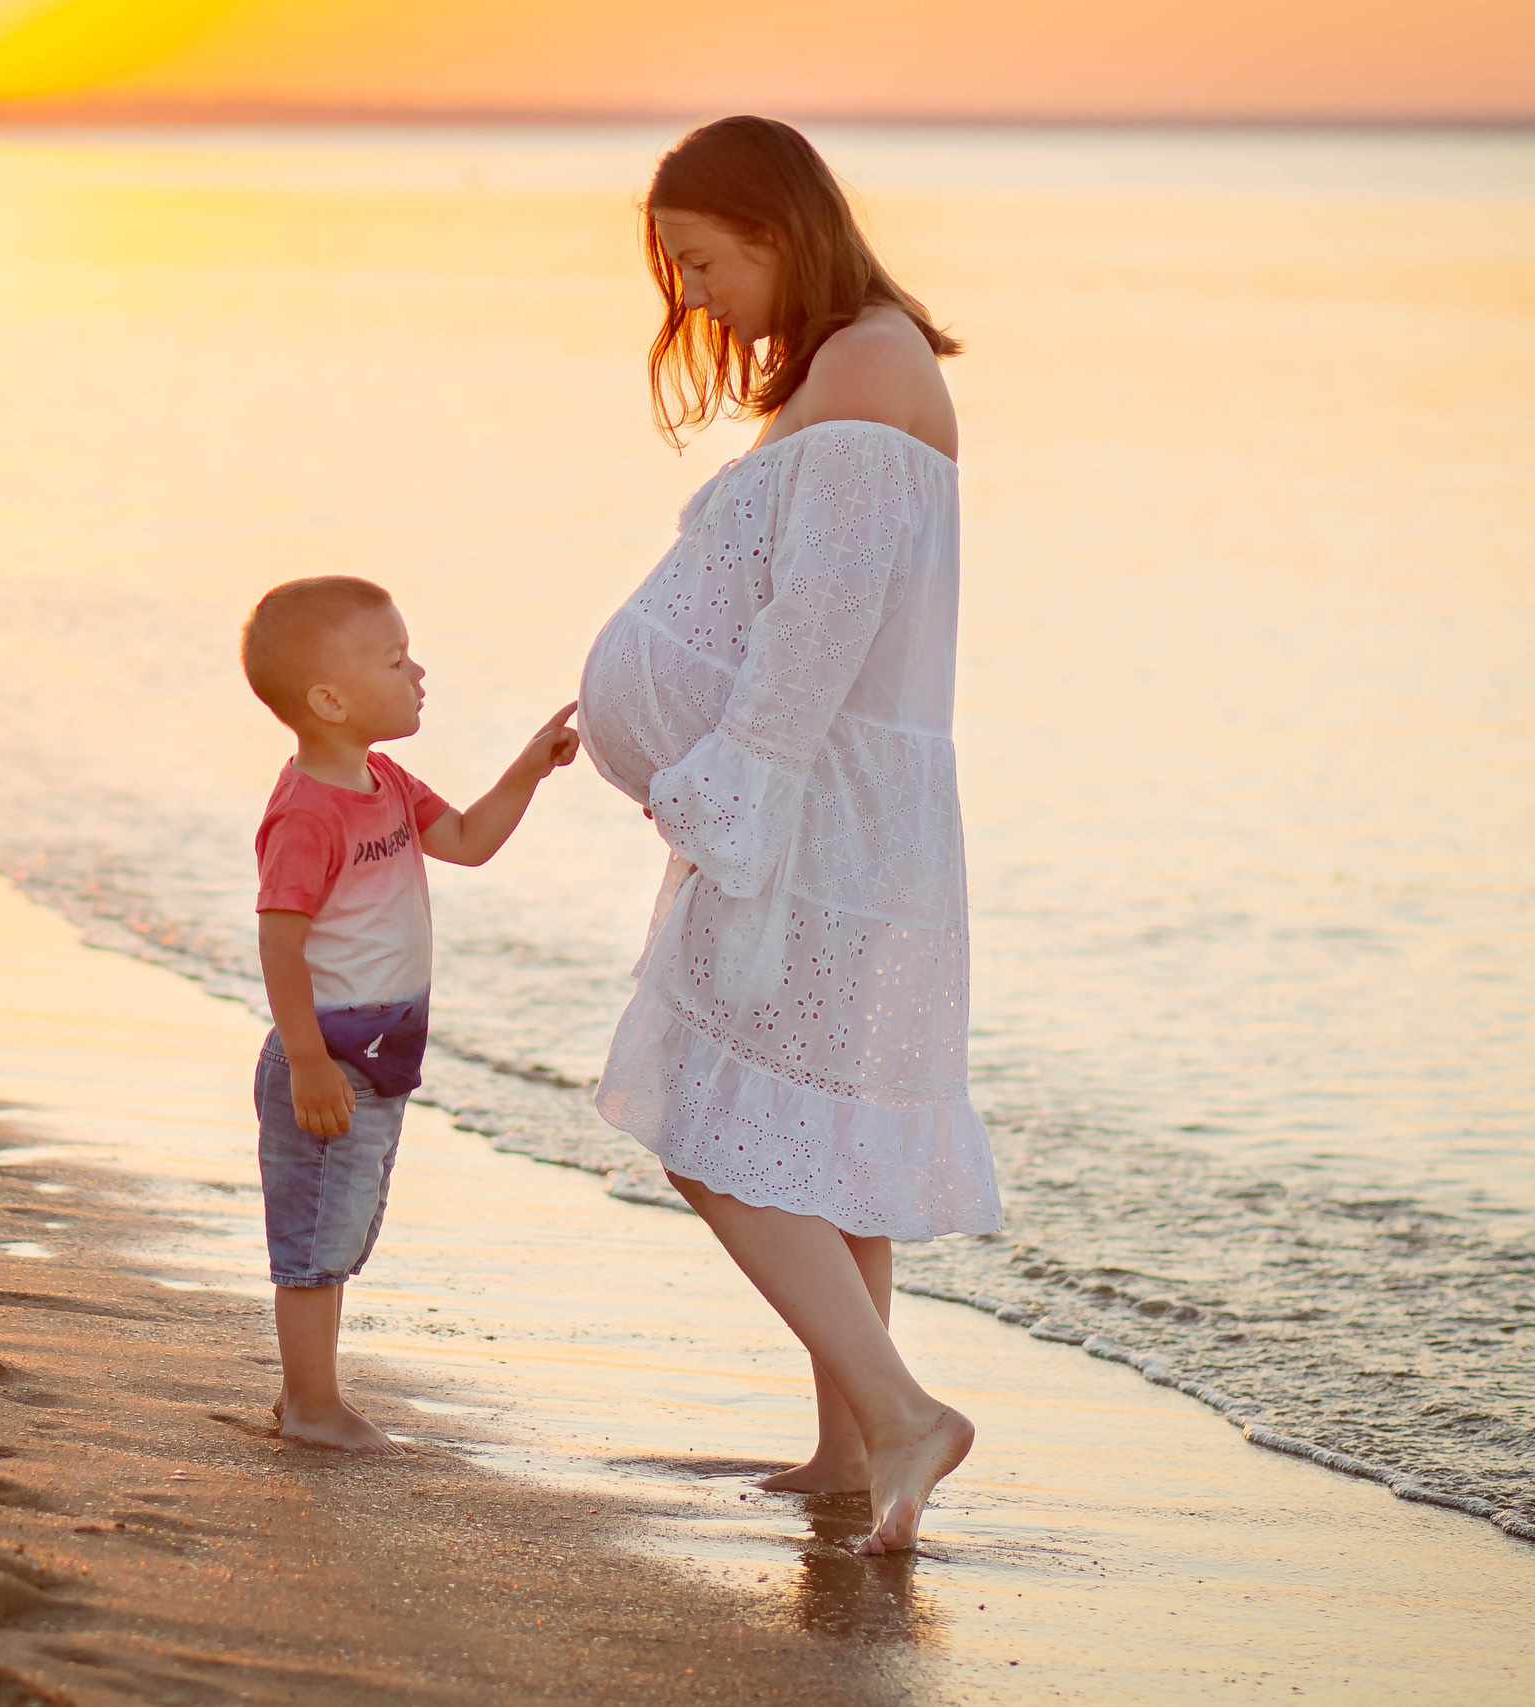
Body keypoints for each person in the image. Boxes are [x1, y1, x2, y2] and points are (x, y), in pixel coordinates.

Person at [577, 116, 1002, 1554]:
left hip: (809, 806)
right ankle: (845, 1445)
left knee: (710, 1119)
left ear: (776, 227)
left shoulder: (872, 365)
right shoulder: (846, 368)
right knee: (821, 1126)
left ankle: (898, 1411)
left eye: (701, 263)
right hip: (824, 805)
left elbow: (822, 626)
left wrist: (727, 787)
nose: (696, 300)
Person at [243, 575, 580, 1453]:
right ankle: (313, 1404)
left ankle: (305, 1396)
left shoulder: (384, 780)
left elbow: (467, 841)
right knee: (316, 1234)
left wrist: (528, 768)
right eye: (395, 660)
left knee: (343, 1222)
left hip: (380, 1053)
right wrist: (310, 1060)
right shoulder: (307, 813)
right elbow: (280, 943)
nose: (418, 670)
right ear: (328, 697)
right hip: (329, 1058)